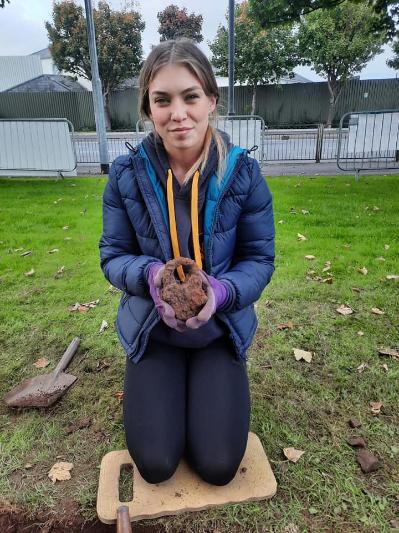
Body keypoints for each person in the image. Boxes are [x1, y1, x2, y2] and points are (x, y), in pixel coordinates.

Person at [99, 39, 275, 487]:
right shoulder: (126, 175)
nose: (178, 113)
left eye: (190, 96)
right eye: (163, 100)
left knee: (218, 465)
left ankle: (207, 385)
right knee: (156, 464)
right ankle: (163, 384)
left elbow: (258, 258)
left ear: (211, 101)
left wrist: (220, 292)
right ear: (148, 108)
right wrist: (152, 276)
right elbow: (114, 256)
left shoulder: (243, 173)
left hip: (220, 334)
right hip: (153, 333)